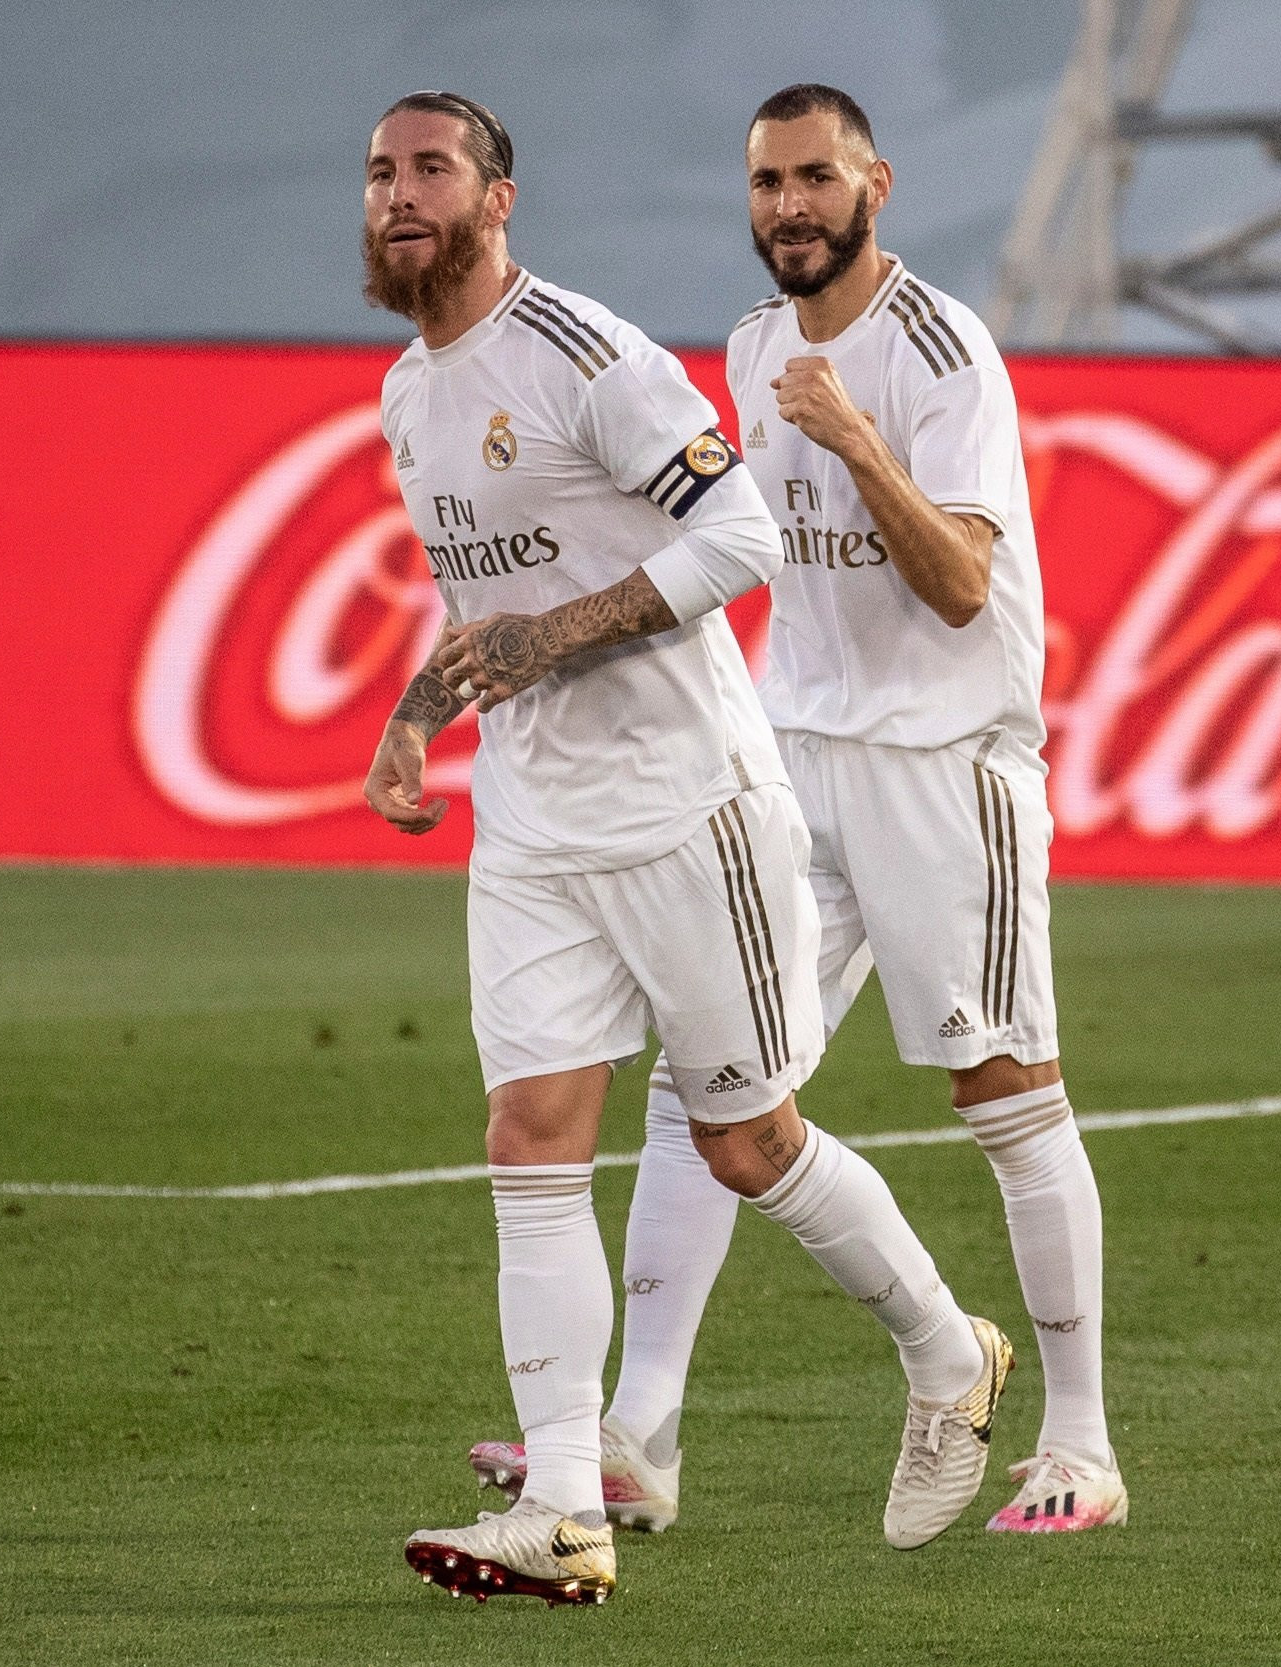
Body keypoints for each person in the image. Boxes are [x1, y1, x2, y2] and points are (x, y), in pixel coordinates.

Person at [360, 90, 1013, 1606]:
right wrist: (418, 712)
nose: (401, 195)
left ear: (498, 198)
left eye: (433, 169)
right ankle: (572, 1504)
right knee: (531, 1132)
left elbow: (741, 537)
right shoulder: (408, 392)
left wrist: (564, 632)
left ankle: (944, 1342)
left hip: (685, 808)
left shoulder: (582, 356)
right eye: (382, 173)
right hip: (531, 819)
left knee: (744, 1139)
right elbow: (484, 605)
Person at [469, 84, 1127, 1538]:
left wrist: (851, 434)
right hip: (789, 756)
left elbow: (960, 584)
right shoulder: (753, 345)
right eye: (768, 182)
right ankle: (638, 1434)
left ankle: (1079, 1440)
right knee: (710, 1082)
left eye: (816, 177)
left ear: (874, 183)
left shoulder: (943, 351)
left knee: (1003, 1090)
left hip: (945, 764)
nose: (790, 206)